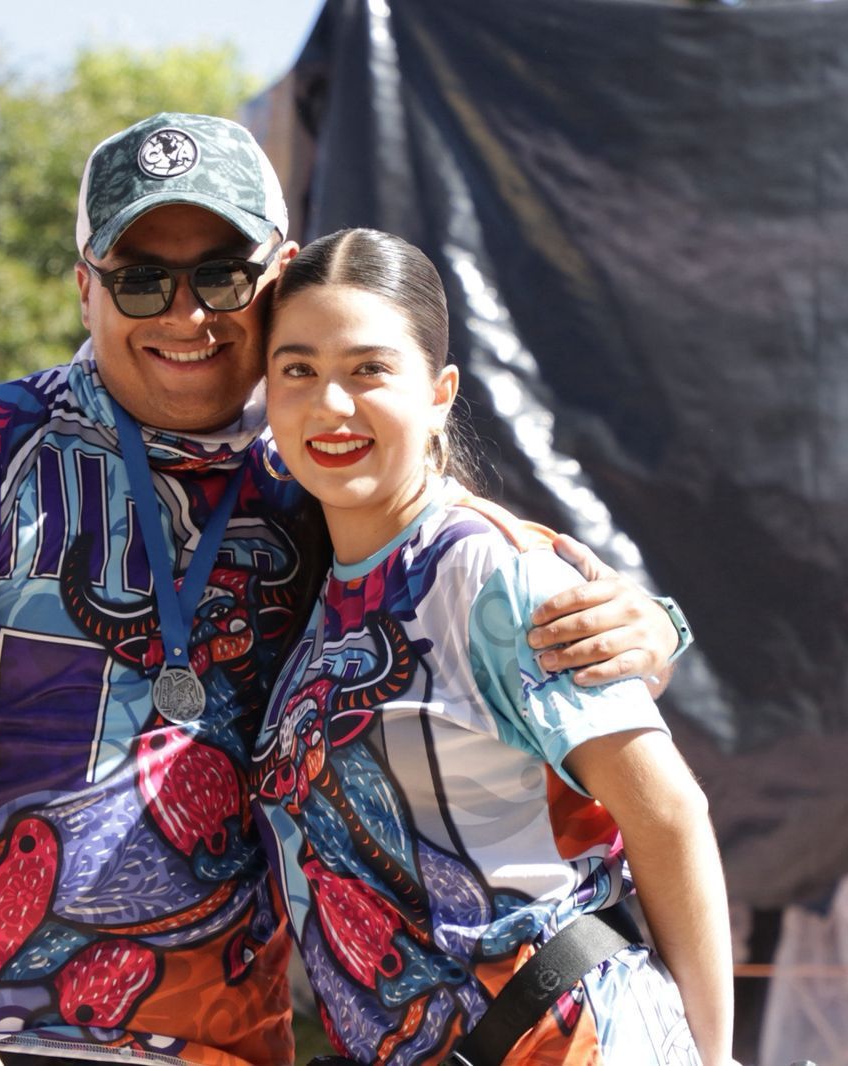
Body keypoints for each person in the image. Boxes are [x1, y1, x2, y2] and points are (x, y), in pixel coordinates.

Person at [0, 113, 693, 1066]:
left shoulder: (313, 472)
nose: (185, 314)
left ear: (277, 279)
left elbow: (469, 560)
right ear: (84, 289)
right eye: (140, 280)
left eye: (221, 276)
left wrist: (648, 626)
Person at [250, 228, 732, 1066]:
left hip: (581, 1041)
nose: (331, 405)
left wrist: (715, 1055)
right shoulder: (326, 592)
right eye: (299, 370)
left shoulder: (489, 572)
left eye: (368, 370)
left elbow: (669, 814)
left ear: (440, 393)